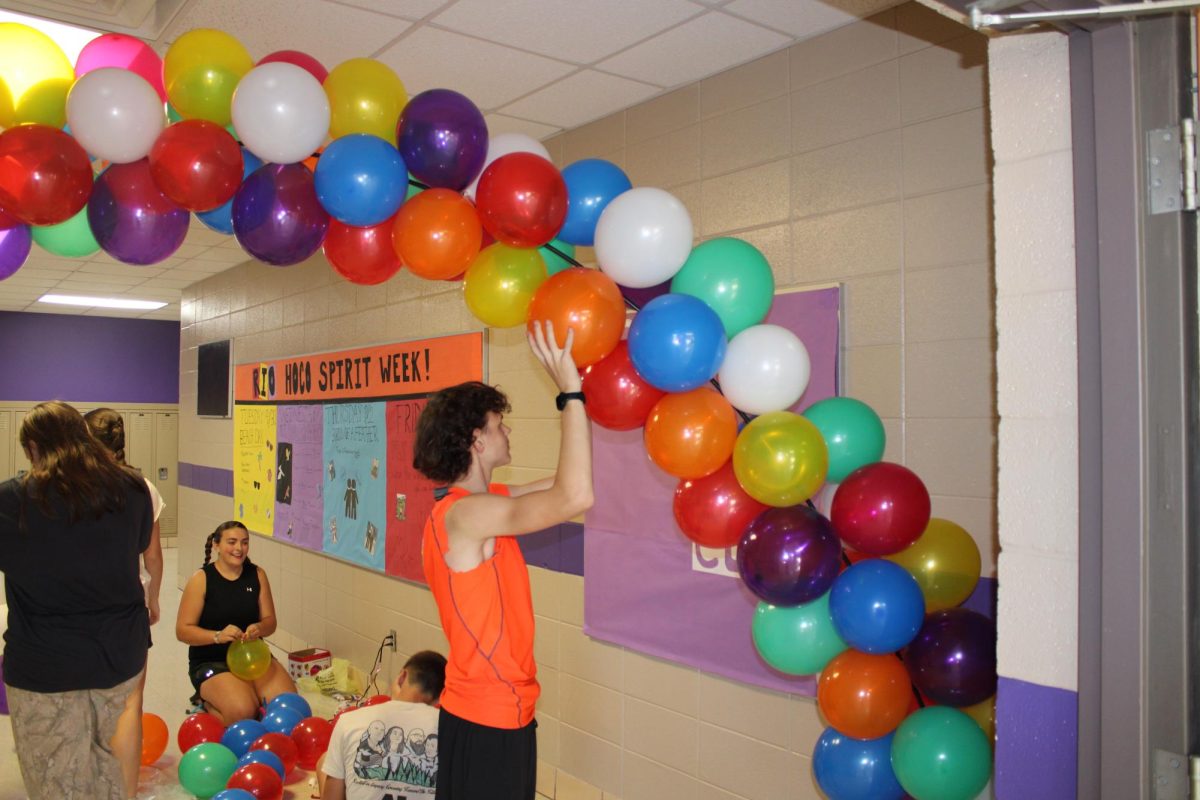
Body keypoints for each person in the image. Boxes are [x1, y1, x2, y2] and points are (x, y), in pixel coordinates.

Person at [413, 321, 593, 800]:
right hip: (490, 717)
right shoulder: (469, 515)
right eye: (498, 424)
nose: (507, 430)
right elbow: (574, 496)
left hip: (480, 712)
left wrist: (593, 407)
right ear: (476, 440)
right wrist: (569, 394)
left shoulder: (475, 502)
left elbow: (564, 482)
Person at [0, 401, 153, 800]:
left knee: (58, 781)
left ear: (33, 447)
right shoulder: (133, 489)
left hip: (45, 662)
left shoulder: (12, 501)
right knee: (111, 776)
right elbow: (136, 548)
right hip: (120, 654)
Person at [84, 408, 165, 799]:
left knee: (84, 696)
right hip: (127, 600)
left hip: (79, 604)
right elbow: (153, 556)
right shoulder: (143, 486)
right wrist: (153, 599)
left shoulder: (71, 485)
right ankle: (126, 791)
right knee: (131, 701)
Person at [175, 520, 295, 724]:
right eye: (232, 542)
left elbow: (270, 622)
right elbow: (182, 631)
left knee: (288, 706)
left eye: (244, 542)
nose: (239, 548)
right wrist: (217, 636)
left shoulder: (257, 574)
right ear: (216, 545)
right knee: (244, 711)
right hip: (212, 661)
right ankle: (207, 703)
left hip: (252, 658)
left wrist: (259, 627)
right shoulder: (201, 579)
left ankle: (248, 691)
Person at [319, 650, 447, 799]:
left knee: (325, 762)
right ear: (443, 695)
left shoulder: (349, 721)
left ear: (402, 677)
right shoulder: (451, 732)